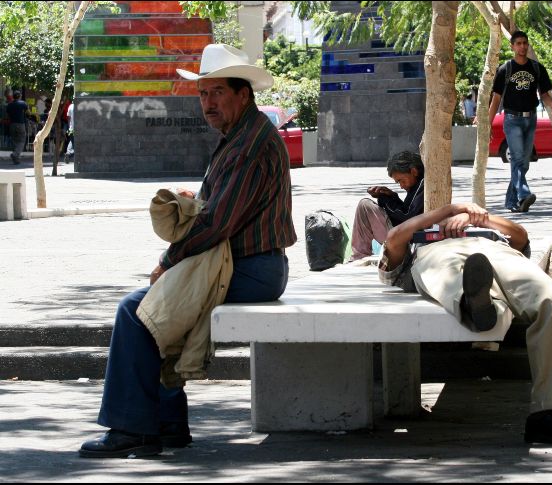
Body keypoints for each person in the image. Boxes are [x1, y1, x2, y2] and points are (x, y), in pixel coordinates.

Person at [79, 43, 297, 459]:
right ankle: (167, 424)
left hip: (251, 269)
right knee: (157, 309)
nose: (208, 103)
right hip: (245, 265)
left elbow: (218, 224)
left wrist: (168, 261)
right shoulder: (240, 134)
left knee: (137, 312)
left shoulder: (249, 143)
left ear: (242, 94)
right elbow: (218, 211)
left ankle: (132, 429)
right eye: (202, 94)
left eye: (217, 92)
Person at [378, 202, 552, 445]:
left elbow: (520, 235)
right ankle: (478, 305)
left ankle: (546, 414)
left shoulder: (493, 232)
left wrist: (477, 217)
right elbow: (394, 238)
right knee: (454, 280)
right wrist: (450, 210)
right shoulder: (417, 242)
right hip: (438, 252)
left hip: (496, 249)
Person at [489, 30, 552, 213]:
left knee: (524, 163)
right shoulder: (505, 69)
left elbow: (544, 94)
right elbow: (496, 99)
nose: (522, 46)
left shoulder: (537, 68)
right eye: (518, 43)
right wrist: (487, 125)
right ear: (512, 46)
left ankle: (512, 202)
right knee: (518, 158)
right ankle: (524, 194)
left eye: (525, 43)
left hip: (531, 119)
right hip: (512, 119)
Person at [350, 151, 424, 261]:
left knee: (364, 206)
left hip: (406, 241)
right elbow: (407, 211)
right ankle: (359, 255)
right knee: (365, 205)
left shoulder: (423, 185)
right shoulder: (416, 185)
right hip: (405, 236)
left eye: (401, 180)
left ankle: (359, 256)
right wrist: (392, 196)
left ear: (414, 171)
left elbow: (407, 217)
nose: (401, 186)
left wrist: (385, 199)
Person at [6, 91, 30, 165]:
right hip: (20, 124)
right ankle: (15, 154)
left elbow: (7, 115)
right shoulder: (23, 103)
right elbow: (28, 113)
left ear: (13, 96)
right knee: (21, 141)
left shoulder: (9, 105)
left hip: (12, 124)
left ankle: (16, 160)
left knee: (15, 141)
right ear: (20, 96)